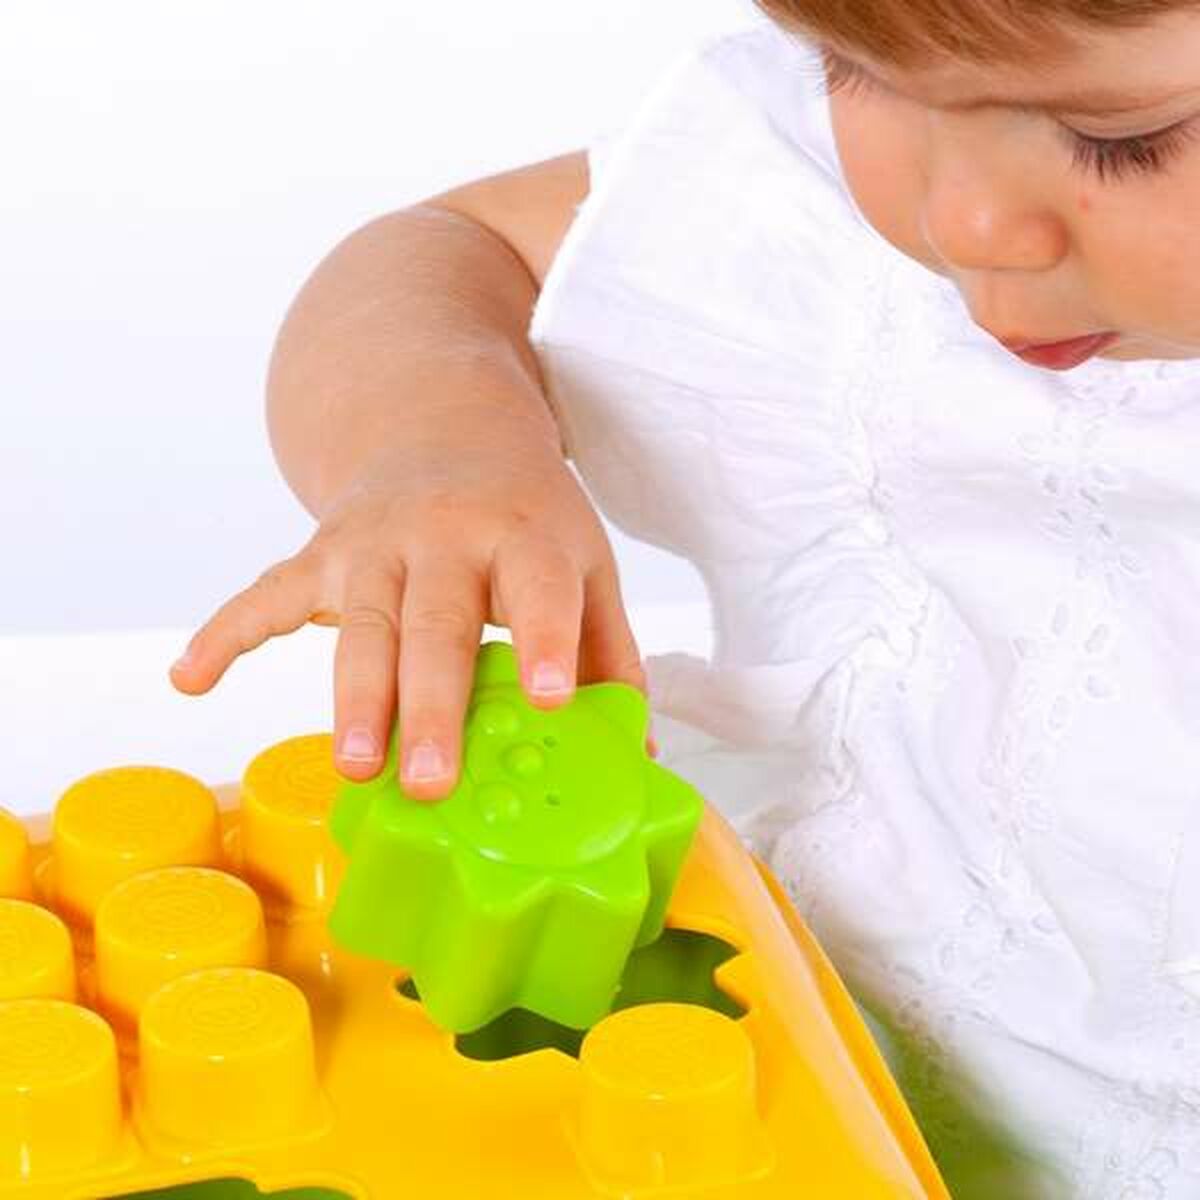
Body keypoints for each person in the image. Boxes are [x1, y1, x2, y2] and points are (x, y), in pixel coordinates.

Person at [170, 2, 1200, 1194]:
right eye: (865, 73)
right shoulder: (817, 222)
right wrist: (440, 440)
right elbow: (454, 250)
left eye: (1119, 140)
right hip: (743, 1070)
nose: (963, 219)